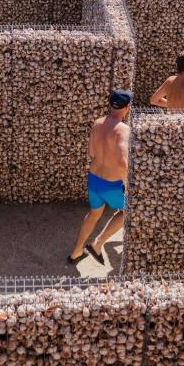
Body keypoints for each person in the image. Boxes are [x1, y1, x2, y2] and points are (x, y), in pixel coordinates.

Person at [68, 89, 132, 266]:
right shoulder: (122, 130)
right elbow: (122, 162)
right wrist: (127, 184)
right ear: (127, 107)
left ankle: (76, 252)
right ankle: (97, 244)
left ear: (110, 104)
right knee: (128, 211)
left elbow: (91, 152)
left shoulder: (97, 123)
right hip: (112, 184)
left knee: (94, 214)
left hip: (94, 179)